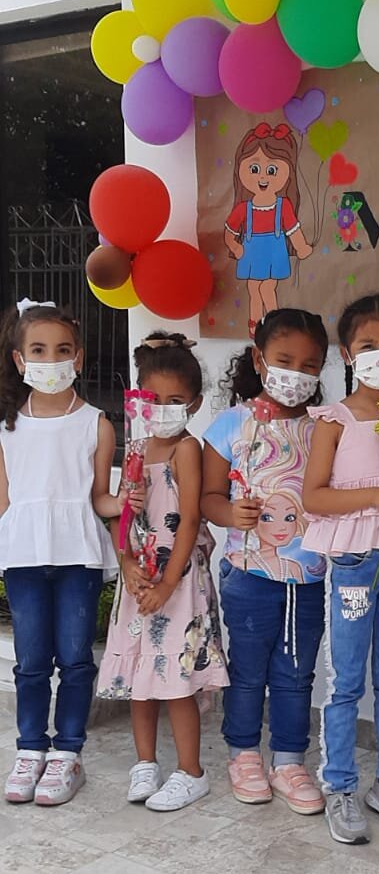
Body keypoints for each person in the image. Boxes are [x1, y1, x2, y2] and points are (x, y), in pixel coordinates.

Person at [302, 293, 379, 845]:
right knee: (346, 679)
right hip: (354, 564)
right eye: (368, 345)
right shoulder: (335, 420)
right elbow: (314, 498)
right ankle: (340, 785)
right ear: (348, 353)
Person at [202, 307, 328, 816]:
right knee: (249, 670)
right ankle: (243, 754)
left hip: (307, 577)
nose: (295, 374)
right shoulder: (231, 423)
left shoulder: (327, 428)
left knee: (296, 674)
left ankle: (290, 760)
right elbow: (209, 497)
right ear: (260, 359)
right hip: (248, 575)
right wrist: (231, 512)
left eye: (309, 364)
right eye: (284, 360)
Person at [97, 331, 228, 811]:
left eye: (176, 400)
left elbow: (191, 517)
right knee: (138, 676)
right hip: (140, 582)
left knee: (176, 677)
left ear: (192, 404)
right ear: (139, 396)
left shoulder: (186, 450)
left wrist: (169, 582)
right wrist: (126, 564)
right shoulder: (134, 450)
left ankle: (191, 771)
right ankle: (145, 764)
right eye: (155, 398)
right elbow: (121, 516)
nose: (165, 408)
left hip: (178, 581)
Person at [0, 298, 122, 806]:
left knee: (74, 657)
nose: (51, 360)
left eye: (62, 350)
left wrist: (126, 502)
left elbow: (98, 496)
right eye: (39, 350)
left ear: (79, 357)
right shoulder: (7, 428)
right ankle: (31, 748)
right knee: (30, 659)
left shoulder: (96, 423)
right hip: (25, 554)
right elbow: (5, 502)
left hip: (77, 553)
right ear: (19, 359)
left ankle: (68, 753)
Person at [223, 122, 312, 335]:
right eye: (254, 169)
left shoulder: (284, 206)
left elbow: (292, 229)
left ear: (287, 173)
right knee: (253, 288)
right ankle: (255, 323)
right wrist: (234, 246)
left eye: (272, 170)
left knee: (267, 287)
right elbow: (230, 232)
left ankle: (274, 324)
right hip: (252, 252)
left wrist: (301, 247)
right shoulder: (244, 208)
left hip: (274, 251)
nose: (262, 177)